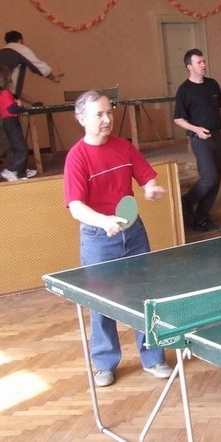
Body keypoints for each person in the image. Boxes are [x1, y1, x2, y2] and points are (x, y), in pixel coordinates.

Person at [63, 89, 171, 387]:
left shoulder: (123, 147)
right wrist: (104, 221)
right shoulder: (77, 157)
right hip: (98, 238)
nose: (107, 119)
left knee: (144, 297)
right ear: (81, 118)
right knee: (101, 303)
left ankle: (153, 358)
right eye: (99, 114)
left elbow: (146, 175)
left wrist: (151, 187)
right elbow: (76, 207)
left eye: (109, 112)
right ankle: (104, 364)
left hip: (133, 233)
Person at [0, 30, 64, 179]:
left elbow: (14, 91)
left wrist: (33, 101)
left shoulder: (3, 54)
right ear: (20, 40)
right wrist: (52, 76)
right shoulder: (18, 48)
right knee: (9, 129)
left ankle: (18, 169)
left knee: (13, 130)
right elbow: (38, 66)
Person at [173, 48, 221, 231]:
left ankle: (201, 218)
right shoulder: (184, 90)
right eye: (199, 62)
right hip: (199, 139)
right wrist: (196, 130)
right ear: (189, 67)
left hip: (217, 136)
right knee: (209, 178)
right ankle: (187, 200)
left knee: (216, 181)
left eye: (203, 61)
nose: (203, 65)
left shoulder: (212, 84)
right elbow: (178, 119)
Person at [0, 66, 34, 181]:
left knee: (18, 148)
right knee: (22, 149)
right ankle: (10, 170)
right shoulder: (5, 93)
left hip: (10, 123)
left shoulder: (4, 93)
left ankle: (22, 172)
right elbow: (12, 109)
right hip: (11, 123)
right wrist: (20, 107)